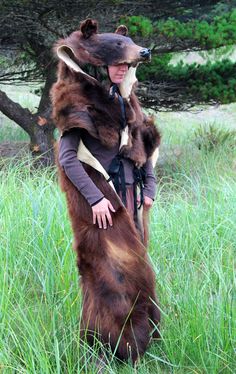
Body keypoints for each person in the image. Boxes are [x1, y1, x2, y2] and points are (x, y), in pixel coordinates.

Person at [58, 63, 157, 238]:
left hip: (132, 195)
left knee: (135, 258)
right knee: (105, 261)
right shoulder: (80, 105)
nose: (123, 69)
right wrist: (95, 199)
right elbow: (67, 158)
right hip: (103, 201)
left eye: (126, 64)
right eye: (117, 64)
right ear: (102, 66)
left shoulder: (128, 102)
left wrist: (150, 188)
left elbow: (145, 145)